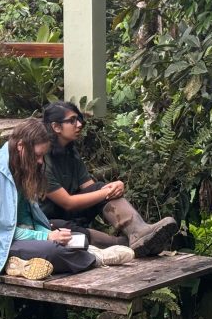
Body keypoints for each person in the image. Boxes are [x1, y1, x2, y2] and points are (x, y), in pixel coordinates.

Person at [0, 119, 133, 291]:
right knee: (53, 250)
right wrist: (46, 237)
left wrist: (49, 234)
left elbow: (26, 218)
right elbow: (1, 231)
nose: (40, 162)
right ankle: (96, 258)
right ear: (22, 146)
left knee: (66, 234)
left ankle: (87, 250)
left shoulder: (18, 164)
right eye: (38, 156)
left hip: (16, 235)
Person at [41, 101, 178, 257]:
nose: (79, 124)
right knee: (68, 229)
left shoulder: (70, 152)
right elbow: (68, 203)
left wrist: (112, 188)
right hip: (47, 223)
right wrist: (106, 192)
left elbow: (90, 188)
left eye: (79, 119)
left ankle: (138, 232)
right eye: (72, 121)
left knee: (101, 188)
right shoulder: (41, 159)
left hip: (72, 214)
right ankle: (130, 244)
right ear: (56, 127)